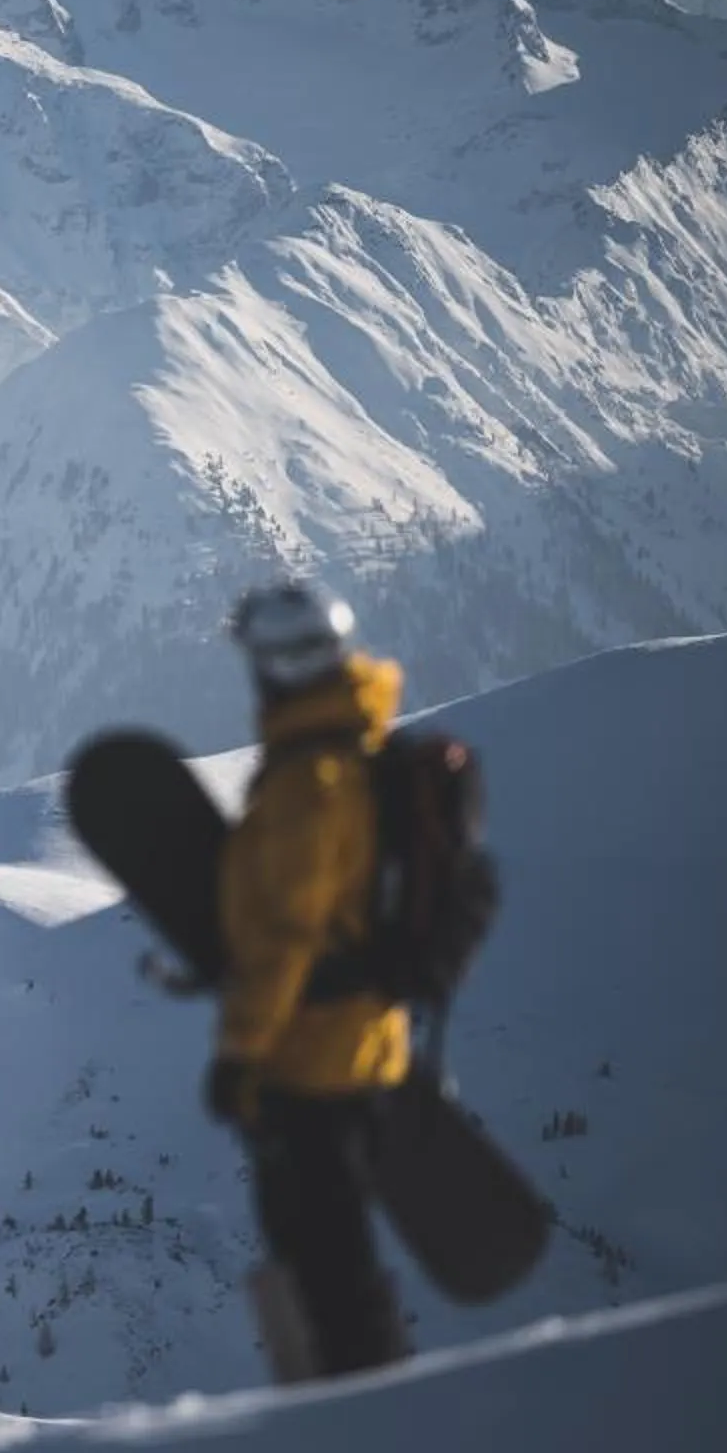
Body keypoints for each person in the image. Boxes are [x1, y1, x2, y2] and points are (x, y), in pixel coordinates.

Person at [205, 581, 412, 1377]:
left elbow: (285, 938)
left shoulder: (308, 785)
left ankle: (360, 1408)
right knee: (336, 1244)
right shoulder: (360, 753)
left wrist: (240, 1054)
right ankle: (359, 1390)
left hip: (313, 1056)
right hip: (360, 1041)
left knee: (323, 1250)